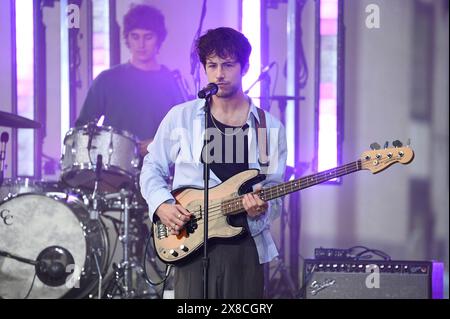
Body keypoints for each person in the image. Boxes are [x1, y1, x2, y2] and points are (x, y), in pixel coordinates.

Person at [140, 27, 287, 299]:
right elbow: (152, 166)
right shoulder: (181, 117)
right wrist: (162, 204)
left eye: (228, 65)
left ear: (245, 67)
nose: (219, 74)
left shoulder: (269, 128)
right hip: (192, 241)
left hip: (246, 248)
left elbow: (275, 192)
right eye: (212, 65)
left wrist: (262, 209)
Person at [76, 4, 185, 156]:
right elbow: (82, 131)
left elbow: (185, 133)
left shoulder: (172, 82)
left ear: (159, 39)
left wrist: (158, 144)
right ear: (127, 38)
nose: (141, 45)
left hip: (160, 171)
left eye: (148, 37)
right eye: (135, 36)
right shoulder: (106, 80)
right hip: (113, 173)